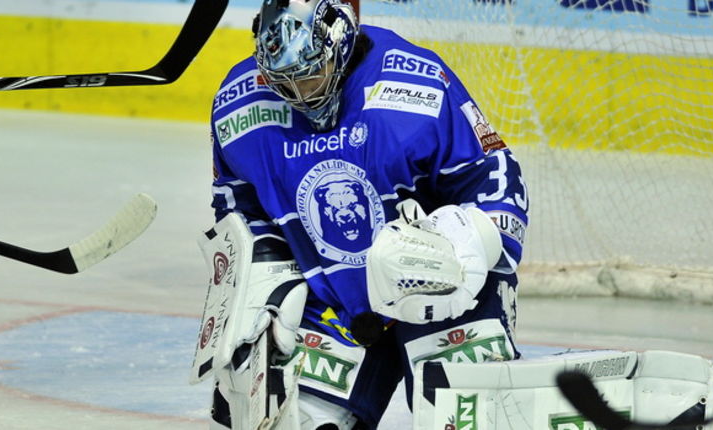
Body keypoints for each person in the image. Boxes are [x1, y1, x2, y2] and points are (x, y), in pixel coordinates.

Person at [207, 0, 528, 428]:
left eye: (309, 75)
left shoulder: (416, 83)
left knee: (471, 419)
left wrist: (470, 241)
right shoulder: (238, 106)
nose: (299, 92)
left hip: (442, 294)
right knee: (284, 418)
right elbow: (238, 213)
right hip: (331, 300)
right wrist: (266, 290)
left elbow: (496, 177)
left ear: (340, 44)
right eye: (284, 81)